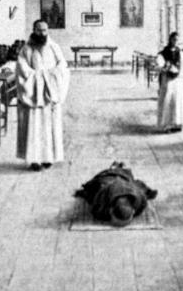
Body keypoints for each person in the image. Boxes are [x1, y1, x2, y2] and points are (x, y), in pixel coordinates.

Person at [16, 20, 70, 171]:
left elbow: (63, 67)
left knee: (49, 127)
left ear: (48, 31)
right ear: (33, 30)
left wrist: (50, 78)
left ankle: (49, 158)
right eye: (39, 30)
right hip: (33, 96)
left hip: (48, 94)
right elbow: (21, 69)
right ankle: (34, 160)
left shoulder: (54, 47)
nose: (42, 33)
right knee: (34, 127)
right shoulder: (25, 49)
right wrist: (37, 78)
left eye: (44, 30)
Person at [74, 162, 158, 227]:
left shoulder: (139, 198)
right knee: (94, 189)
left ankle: (118, 168)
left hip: (125, 182)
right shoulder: (102, 196)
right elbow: (96, 211)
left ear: (133, 211)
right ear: (110, 210)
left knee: (131, 180)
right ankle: (116, 168)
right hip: (107, 180)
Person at [155, 32, 183, 133]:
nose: (175, 42)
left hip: (178, 80)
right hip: (168, 80)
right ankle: (167, 125)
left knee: (177, 101)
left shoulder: (182, 53)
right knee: (168, 100)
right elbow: (160, 64)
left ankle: (177, 124)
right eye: (174, 39)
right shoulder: (163, 53)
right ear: (170, 40)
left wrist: (180, 73)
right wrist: (166, 68)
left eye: (177, 40)